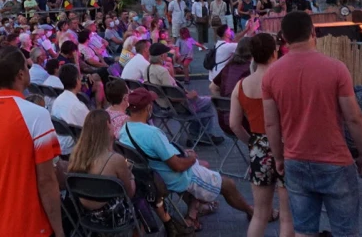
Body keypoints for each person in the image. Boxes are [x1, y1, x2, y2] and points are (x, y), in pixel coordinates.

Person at [262, 10, 362, 237]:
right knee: (346, 231)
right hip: (335, 160)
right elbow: (354, 117)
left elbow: (271, 124)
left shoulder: (271, 75)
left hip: (295, 158)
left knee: (303, 230)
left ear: (284, 37)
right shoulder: (336, 68)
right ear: (313, 32)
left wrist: (279, 157)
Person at [0, 42, 64, 237]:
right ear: (20, 74)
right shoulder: (36, 114)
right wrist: (60, 231)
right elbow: (47, 181)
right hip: (31, 226)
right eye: (27, 67)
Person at [119, 88, 253, 229]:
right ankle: (253, 212)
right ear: (148, 107)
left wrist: (183, 154)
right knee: (228, 184)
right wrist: (191, 158)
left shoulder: (125, 128)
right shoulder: (152, 133)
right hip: (173, 177)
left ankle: (193, 213)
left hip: (153, 175)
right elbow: (177, 166)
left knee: (204, 166)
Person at [229, 33, 293, 237]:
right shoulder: (283, 81)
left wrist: (253, 142)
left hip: (259, 147)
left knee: (260, 213)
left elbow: (234, 124)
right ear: (274, 52)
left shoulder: (241, 86)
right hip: (285, 145)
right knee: (287, 215)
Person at [66, 110, 136, 232]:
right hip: (112, 217)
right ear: (108, 126)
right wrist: (131, 175)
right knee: (141, 196)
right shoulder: (115, 159)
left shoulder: (77, 155)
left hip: (85, 215)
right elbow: (129, 194)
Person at [49, 64, 91, 155]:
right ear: (77, 80)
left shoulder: (57, 100)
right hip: (71, 149)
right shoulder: (78, 106)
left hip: (59, 143)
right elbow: (91, 128)